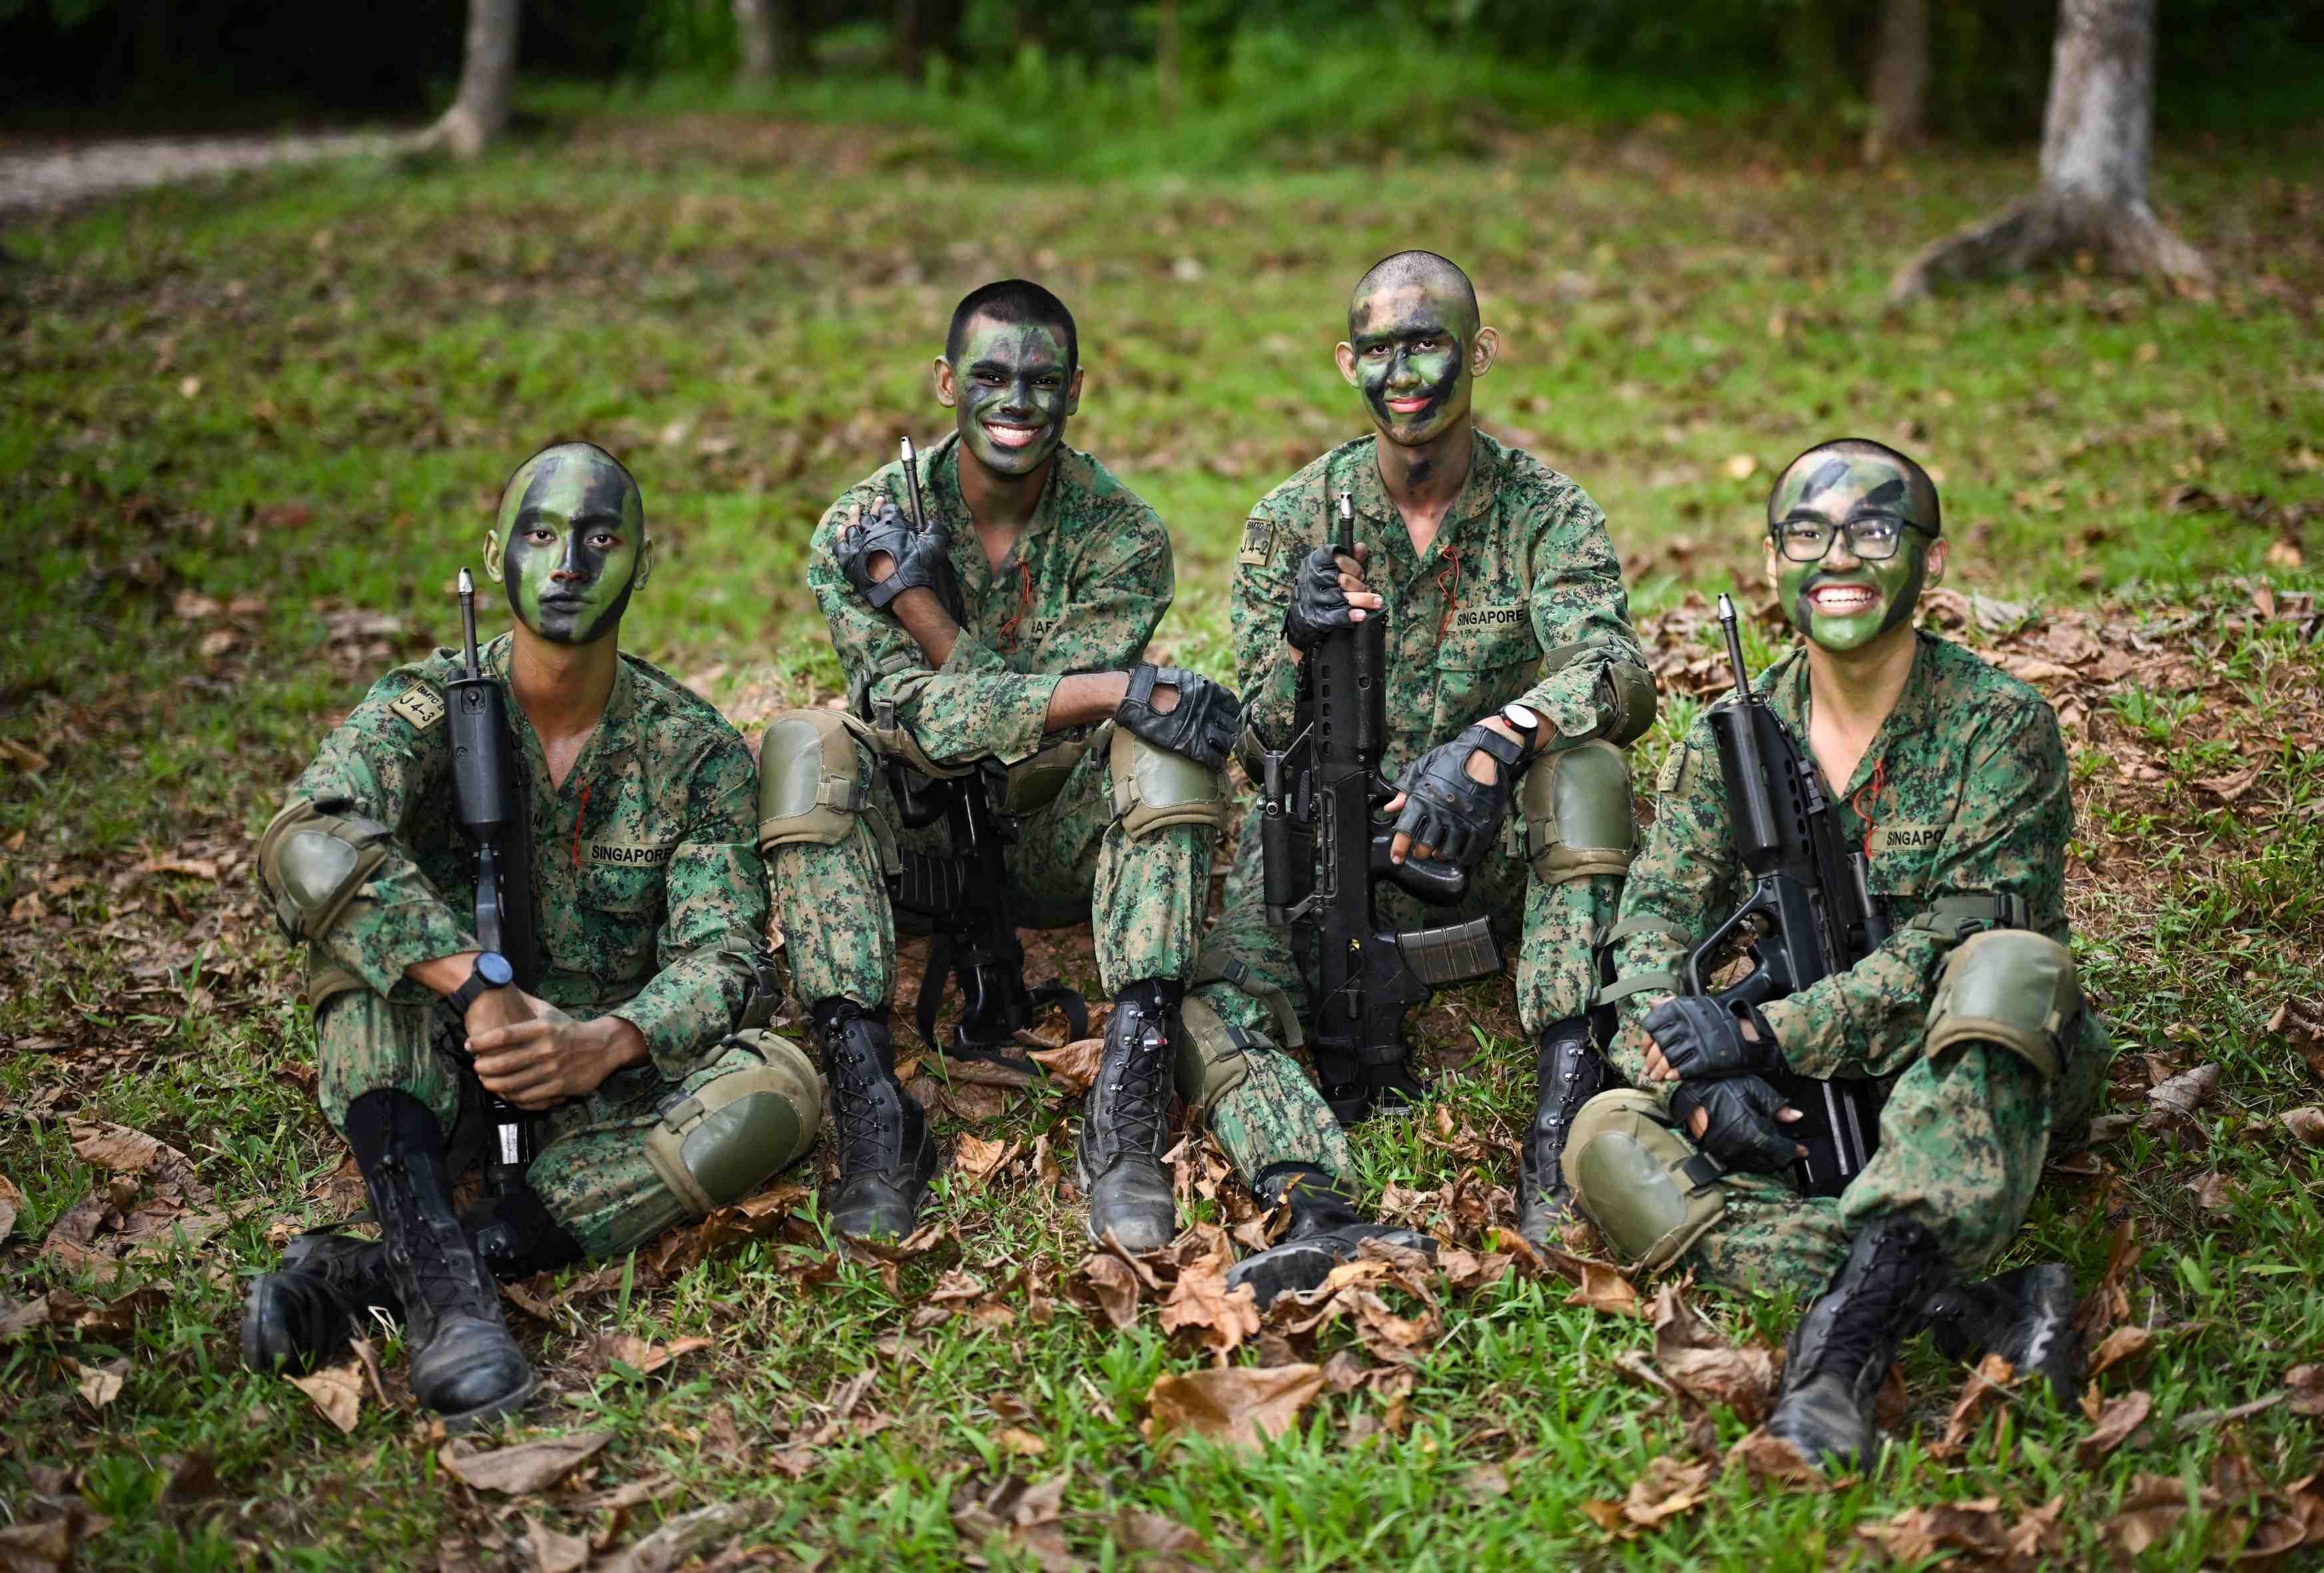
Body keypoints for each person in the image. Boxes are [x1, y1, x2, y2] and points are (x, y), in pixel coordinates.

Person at [242, 443, 819, 1429]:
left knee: (780, 1093)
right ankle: (456, 1303)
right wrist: (474, 984)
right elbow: (303, 840)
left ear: (643, 560)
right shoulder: (428, 709)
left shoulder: (696, 751)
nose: (568, 565)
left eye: (601, 538)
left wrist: (605, 1040)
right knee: (353, 933)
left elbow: (726, 958)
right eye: (541, 535)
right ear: (496, 550)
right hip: (441, 1065)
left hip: (601, 1087)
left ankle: (400, 1266)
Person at [1566, 438, 2108, 1467]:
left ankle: (1838, 1354)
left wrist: (1763, 1033)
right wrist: (1685, 1082)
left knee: (2009, 967)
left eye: (1873, 531)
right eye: (1807, 534)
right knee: (1603, 1134)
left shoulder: (2001, 727)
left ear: (1930, 561)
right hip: (1795, 1096)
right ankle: (1954, 1295)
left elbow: (1957, 941)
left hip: (1966, 1064)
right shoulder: (1735, 736)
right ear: (1776, 561)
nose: (1839, 560)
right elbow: (1648, 930)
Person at [1185, 251, 1655, 1303]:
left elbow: (1617, 672)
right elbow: (1256, 733)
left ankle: (1561, 1121)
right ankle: (1313, 1196)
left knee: (1582, 776)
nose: (1406, 374)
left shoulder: (1546, 511)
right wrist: (1298, 643)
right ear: (1347, 361)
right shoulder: (1293, 517)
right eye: (1382, 349)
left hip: (1484, 851)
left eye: (1430, 342)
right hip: (1323, 853)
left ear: (1481, 351)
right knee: (1200, 987)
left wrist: (1495, 742)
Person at [761, 279, 1239, 1249]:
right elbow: (926, 719)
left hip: (1055, 839)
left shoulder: (1124, 536)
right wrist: (1113, 689)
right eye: (988, 375)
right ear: (945, 381)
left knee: (1166, 745)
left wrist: (925, 613)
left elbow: (1022, 704)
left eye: (1041, 379)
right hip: (909, 844)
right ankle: (870, 1108)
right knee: (806, 748)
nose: (1015, 401)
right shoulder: (861, 528)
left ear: (1076, 390)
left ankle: (1132, 1100)